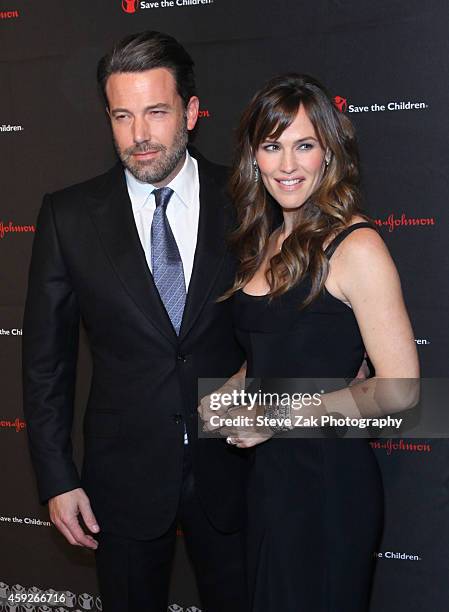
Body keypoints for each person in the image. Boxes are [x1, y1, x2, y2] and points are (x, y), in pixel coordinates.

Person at [22, 31, 248, 612]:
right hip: (120, 480)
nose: (139, 135)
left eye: (155, 112)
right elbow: (46, 363)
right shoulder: (68, 215)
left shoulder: (249, 199)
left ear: (191, 113)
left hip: (237, 469)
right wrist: (56, 476)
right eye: (122, 115)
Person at [208, 74, 419, 611]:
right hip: (266, 485)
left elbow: (400, 393)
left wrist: (272, 417)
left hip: (328, 487)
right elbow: (267, 357)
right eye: (272, 146)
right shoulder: (262, 242)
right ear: (254, 157)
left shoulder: (357, 245)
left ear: (328, 153)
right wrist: (224, 402)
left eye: (304, 145)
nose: (288, 164)